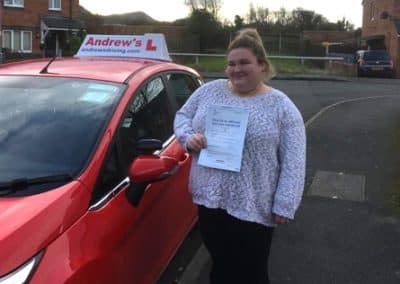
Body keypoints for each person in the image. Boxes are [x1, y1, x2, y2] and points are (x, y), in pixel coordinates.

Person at [174, 28, 306, 284]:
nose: (237, 69)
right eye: (231, 64)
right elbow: (182, 116)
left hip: (254, 204)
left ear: (262, 65)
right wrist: (188, 137)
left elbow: (294, 159)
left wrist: (285, 202)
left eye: (245, 62)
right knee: (221, 266)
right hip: (211, 199)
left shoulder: (281, 106)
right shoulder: (210, 91)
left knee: (251, 273)